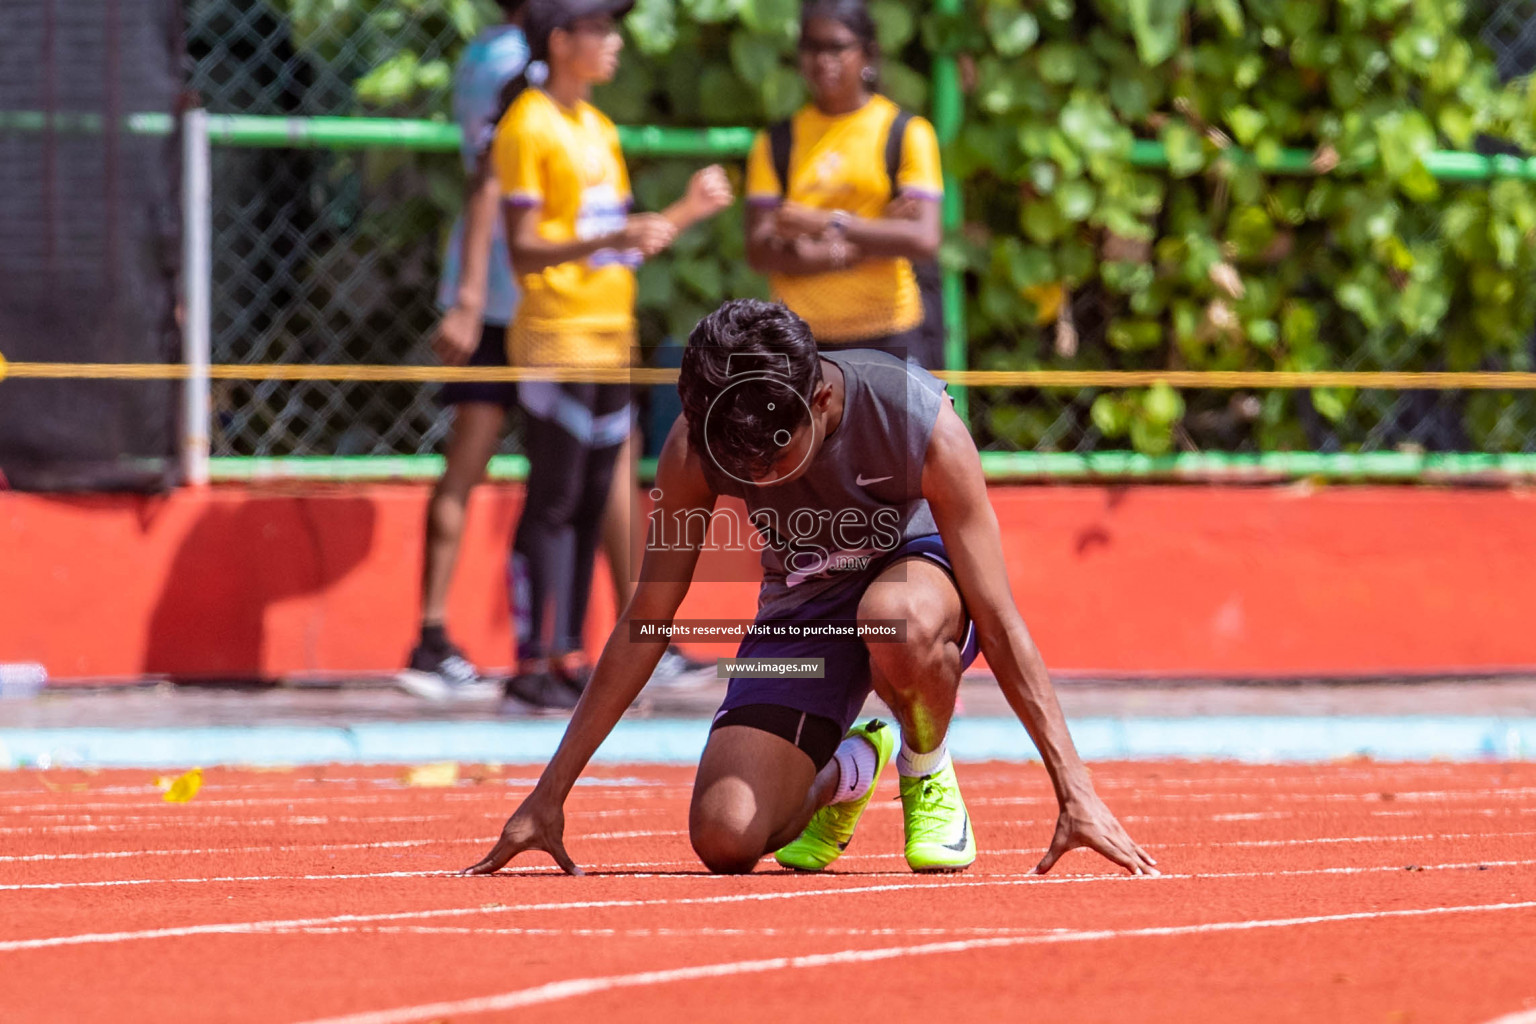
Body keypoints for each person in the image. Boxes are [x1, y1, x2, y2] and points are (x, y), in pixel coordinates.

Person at [466, 298, 1157, 878]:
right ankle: (855, 765)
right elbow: (647, 618)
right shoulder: (696, 448)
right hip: (805, 604)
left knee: (896, 618)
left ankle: (925, 762)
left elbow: (1000, 619)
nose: (761, 480)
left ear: (820, 399)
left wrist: (1077, 792)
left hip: (915, 580)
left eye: (775, 456)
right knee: (725, 836)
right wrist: (548, 793)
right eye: (741, 465)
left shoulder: (920, 423)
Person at [493, 0, 733, 710]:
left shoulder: (597, 128)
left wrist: (687, 209)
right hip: (554, 338)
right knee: (556, 498)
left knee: (597, 495)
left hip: (608, 336)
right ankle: (536, 659)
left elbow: (624, 236)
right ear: (561, 42)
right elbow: (526, 247)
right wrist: (605, 242)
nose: (614, 43)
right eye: (600, 30)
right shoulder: (527, 126)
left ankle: (571, 654)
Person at [400, 0, 530, 701]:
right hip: (520, 293)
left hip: (509, 291)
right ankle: (643, 639)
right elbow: (492, 178)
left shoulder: (482, 53)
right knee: (592, 464)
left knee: (588, 463)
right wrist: (474, 298)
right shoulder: (524, 66)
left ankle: (431, 633)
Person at [745, 0, 945, 370]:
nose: (823, 60)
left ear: (868, 53)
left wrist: (822, 225)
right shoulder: (775, 142)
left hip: (890, 334)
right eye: (811, 47)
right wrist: (871, 241)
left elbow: (924, 239)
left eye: (837, 47)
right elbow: (760, 251)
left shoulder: (905, 134)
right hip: (801, 339)